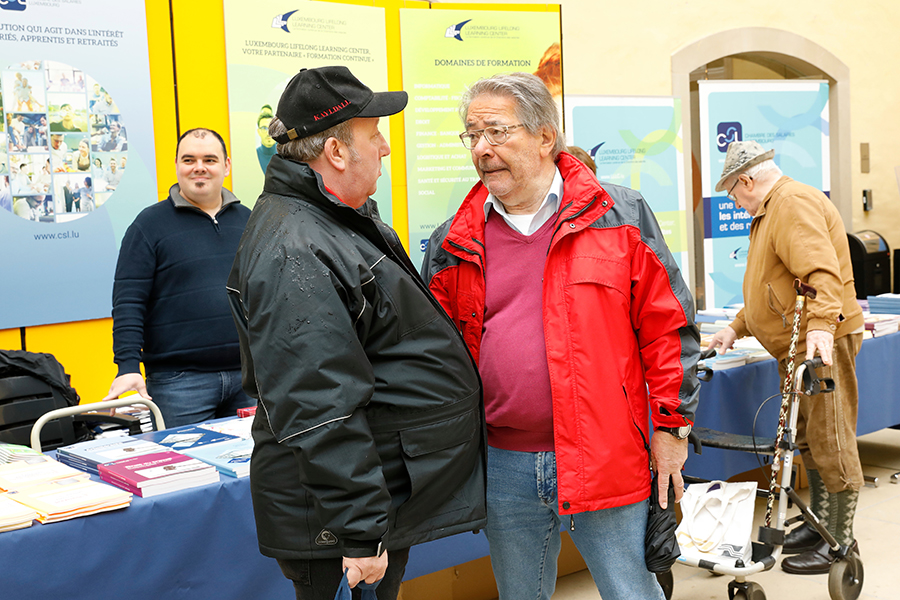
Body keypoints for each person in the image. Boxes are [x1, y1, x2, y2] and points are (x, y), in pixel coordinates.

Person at [421, 72, 700, 600]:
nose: (482, 148)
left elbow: (668, 330)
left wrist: (672, 431)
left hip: (606, 454)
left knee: (631, 592)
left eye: (497, 132)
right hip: (503, 463)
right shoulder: (452, 240)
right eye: (472, 135)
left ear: (545, 136)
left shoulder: (619, 216)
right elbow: (437, 359)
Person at [226, 66, 486, 600]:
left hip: (367, 497)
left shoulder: (331, 221)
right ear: (337, 153)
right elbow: (318, 401)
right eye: (374, 135)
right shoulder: (296, 247)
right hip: (339, 525)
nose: (385, 147)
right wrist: (361, 529)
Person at [706, 140, 864, 574]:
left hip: (819, 343)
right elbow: (771, 283)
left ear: (746, 180)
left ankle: (841, 542)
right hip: (797, 344)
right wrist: (735, 327)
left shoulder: (790, 203)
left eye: (731, 193)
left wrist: (820, 326)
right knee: (809, 438)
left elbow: (821, 272)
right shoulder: (771, 209)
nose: (734, 203)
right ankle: (819, 525)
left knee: (831, 438)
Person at [103, 128, 255, 427]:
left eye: (209, 159)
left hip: (249, 378)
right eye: (189, 159)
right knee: (184, 459)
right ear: (176, 165)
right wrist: (127, 365)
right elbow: (128, 302)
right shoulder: (148, 225)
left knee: (255, 458)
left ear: (226, 166)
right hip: (179, 384)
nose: (199, 167)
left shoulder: (249, 221)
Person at [255, 104, 276, 172]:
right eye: (264, 128)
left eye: (271, 127)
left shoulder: (286, 155)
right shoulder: (254, 155)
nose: (268, 133)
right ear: (258, 131)